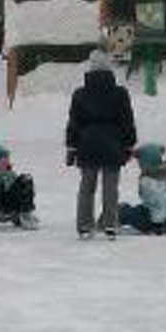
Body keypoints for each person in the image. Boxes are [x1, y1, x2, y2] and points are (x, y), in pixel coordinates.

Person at [64, 51, 137, 238]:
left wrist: (71, 147)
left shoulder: (80, 94)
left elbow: (74, 122)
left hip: (87, 143)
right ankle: (109, 223)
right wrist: (129, 144)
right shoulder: (120, 93)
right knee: (110, 186)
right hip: (113, 142)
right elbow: (127, 120)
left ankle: (84, 225)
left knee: (87, 186)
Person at [118, 140, 166, 233]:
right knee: (140, 207)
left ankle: (108, 222)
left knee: (124, 210)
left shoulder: (147, 181)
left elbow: (156, 203)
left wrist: (157, 225)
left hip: (158, 221)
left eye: (140, 161)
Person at [0, 144, 39, 228]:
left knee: (25, 180)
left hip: (10, 205)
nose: (4, 160)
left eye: (6, 157)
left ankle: (25, 214)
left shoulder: (10, 174)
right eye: (1, 158)